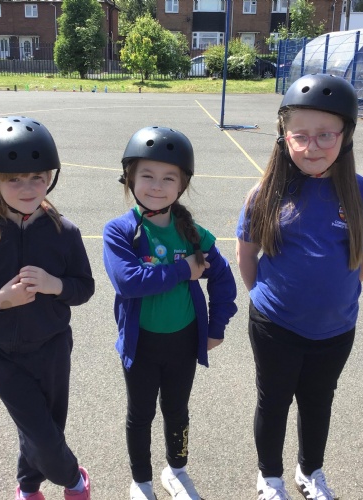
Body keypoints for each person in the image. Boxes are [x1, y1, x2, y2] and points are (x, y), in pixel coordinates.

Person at [236, 74, 363, 500]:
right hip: (274, 325)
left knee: (318, 402)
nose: (312, 147)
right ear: (284, 136)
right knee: (273, 401)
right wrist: (267, 300)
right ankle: (270, 477)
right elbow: (246, 255)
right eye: (300, 136)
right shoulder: (266, 193)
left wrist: (339, 292)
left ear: (346, 135)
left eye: (325, 135)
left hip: (336, 329)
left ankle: (310, 471)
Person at [0, 116, 95, 500]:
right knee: (42, 435)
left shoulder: (65, 232)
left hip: (52, 348)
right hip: (1, 355)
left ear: (50, 177)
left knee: (45, 428)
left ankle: (28, 488)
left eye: (37, 177)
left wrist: (54, 285)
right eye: (14, 179)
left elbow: (84, 288)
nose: (28, 188)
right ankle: (74, 480)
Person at [103, 126, 238, 500]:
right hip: (142, 343)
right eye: (147, 175)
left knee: (177, 410)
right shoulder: (120, 231)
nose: (157, 186)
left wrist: (216, 325)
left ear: (182, 184)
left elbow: (223, 278)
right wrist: (183, 270)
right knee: (140, 414)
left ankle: (176, 470)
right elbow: (128, 281)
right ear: (130, 179)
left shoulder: (192, 233)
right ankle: (141, 480)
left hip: (183, 341)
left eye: (168, 178)